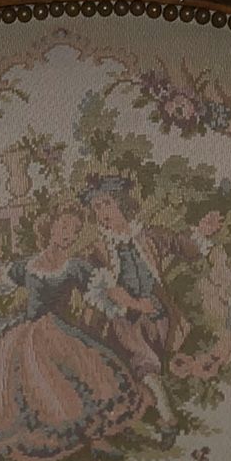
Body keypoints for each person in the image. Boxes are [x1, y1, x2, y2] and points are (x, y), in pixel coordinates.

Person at [0, 206, 144, 461]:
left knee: (83, 377)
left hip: (60, 333)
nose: (68, 235)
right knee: (23, 386)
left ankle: (95, 437)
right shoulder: (27, 266)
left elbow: (108, 289)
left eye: (74, 231)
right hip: (25, 333)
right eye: (64, 226)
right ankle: (40, 435)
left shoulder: (74, 267)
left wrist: (137, 304)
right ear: (50, 226)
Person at [81, 177, 182, 440]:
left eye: (106, 204)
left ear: (122, 205)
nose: (102, 213)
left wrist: (203, 235)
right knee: (137, 352)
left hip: (157, 314)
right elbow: (110, 290)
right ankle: (167, 416)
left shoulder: (147, 236)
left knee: (150, 355)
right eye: (96, 209)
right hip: (123, 317)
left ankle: (144, 408)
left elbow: (179, 244)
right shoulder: (99, 249)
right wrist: (136, 304)